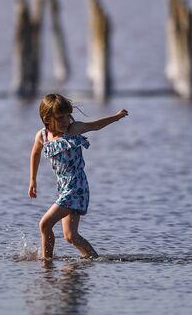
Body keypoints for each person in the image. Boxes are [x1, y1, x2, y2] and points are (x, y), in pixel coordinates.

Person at [28, 93, 128, 260]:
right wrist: (32, 180)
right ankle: (96, 260)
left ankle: (46, 265)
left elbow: (95, 126)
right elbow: (35, 154)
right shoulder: (42, 136)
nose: (66, 121)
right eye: (61, 118)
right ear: (47, 118)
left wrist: (116, 117)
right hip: (64, 189)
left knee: (44, 224)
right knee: (70, 236)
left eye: (68, 116)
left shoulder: (72, 130)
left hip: (76, 188)